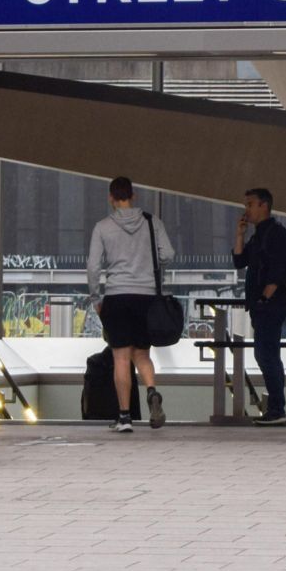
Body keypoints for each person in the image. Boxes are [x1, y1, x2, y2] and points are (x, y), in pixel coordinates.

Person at [87, 176, 175, 432]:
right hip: (146, 297)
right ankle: (151, 391)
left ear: (111, 197)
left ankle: (124, 417)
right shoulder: (152, 222)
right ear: (133, 196)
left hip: (117, 296)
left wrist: (96, 298)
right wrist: (149, 267)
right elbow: (168, 254)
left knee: (121, 358)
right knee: (142, 354)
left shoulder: (103, 227)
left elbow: (93, 266)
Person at [233, 187, 286, 426]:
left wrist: (264, 299)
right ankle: (277, 408)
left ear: (264, 206)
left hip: (270, 306)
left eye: (250, 204)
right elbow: (239, 261)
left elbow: (277, 271)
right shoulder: (259, 235)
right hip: (263, 306)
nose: (246, 209)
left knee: (266, 355)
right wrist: (240, 234)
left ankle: (277, 409)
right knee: (268, 355)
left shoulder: (275, 235)